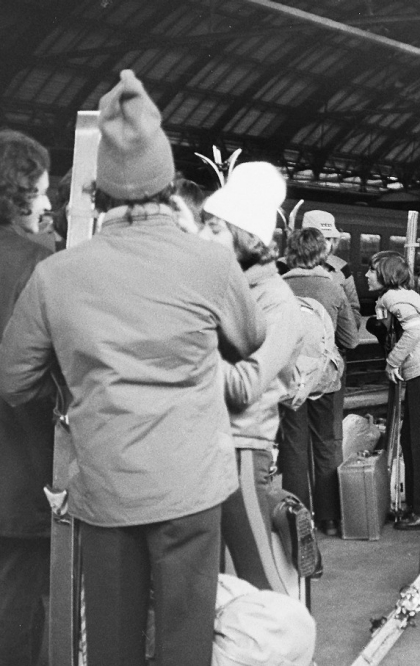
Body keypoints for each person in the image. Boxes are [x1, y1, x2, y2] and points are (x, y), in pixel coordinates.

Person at [0, 70, 266, 666]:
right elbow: (251, 336)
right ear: (167, 184)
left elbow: (13, 380)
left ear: (99, 194)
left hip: (106, 488)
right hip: (193, 488)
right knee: (184, 643)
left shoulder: (56, 274)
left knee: (114, 645)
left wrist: (76, 381)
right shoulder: (208, 263)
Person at [200, 162, 304, 591]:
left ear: (247, 238)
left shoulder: (279, 303)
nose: (203, 237)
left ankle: (290, 654)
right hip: (208, 447)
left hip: (243, 450)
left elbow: (245, 387)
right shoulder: (219, 286)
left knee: (261, 575)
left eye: (215, 229)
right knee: (224, 582)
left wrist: (181, 357)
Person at [0, 129, 54, 666]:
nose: (47, 202)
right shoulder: (35, 263)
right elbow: (32, 379)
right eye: (39, 190)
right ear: (15, 192)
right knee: (16, 607)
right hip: (16, 471)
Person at [279, 227, 359, 535]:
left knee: (294, 448)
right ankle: (329, 518)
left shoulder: (277, 287)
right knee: (327, 444)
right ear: (321, 253)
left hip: (289, 380)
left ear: (291, 252)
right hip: (325, 378)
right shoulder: (332, 288)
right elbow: (351, 341)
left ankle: (296, 518)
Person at [367, 252, 420, 530]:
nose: (366, 275)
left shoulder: (393, 298)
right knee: (412, 439)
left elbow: (413, 331)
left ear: (385, 275)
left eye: (372, 270)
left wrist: (392, 362)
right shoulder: (410, 295)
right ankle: (419, 506)